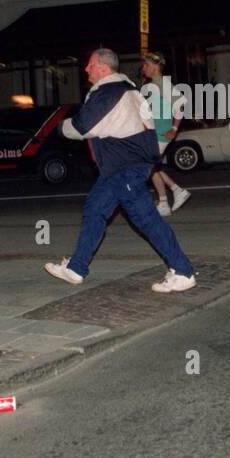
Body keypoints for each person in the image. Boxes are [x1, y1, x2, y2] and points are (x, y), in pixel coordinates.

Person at [46, 48, 196, 292]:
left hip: (124, 167)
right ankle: (76, 267)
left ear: (103, 68)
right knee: (95, 210)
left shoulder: (108, 93)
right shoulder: (129, 90)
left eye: (90, 65)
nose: (86, 69)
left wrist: (60, 127)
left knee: (146, 219)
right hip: (122, 167)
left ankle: (183, 270)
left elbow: (84, 126)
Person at [138, 52, 190, 217]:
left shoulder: (162, 85)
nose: (143, 68)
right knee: (153, 166)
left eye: (146, 65)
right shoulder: (153, 85)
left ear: (154, 66)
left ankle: (164, 201)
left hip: (161, 133)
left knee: (150, 166)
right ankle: (175, 192)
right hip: (153, 133)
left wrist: (174, 129)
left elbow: (181, 106)